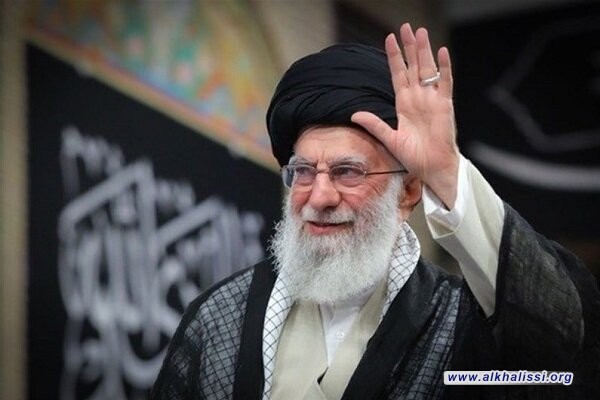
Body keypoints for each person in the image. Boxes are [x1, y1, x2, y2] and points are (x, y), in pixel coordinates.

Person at [150, 23, 600, 400]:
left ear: (408, 192)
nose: (319, 197)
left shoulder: (459, 322)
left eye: (347, 172)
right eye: (303, 172)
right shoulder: (219, 318)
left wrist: (446, 172)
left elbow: (563, 349)